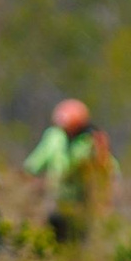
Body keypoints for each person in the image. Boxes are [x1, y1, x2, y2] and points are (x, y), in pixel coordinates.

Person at [24, 98, 112, 245]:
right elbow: (38, 159)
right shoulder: (54, 137)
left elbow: (106, 167)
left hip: (80, 201)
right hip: (55, 197)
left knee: (77, 239)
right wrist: (30, 173)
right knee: (53, 236)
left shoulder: (90, 140)